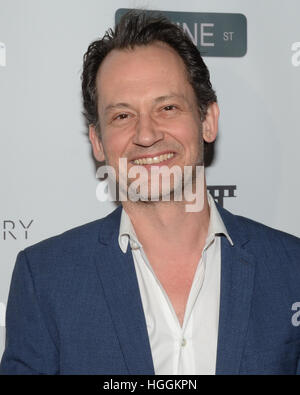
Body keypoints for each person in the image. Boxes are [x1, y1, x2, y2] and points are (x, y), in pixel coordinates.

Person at [1, 10, 300, 375]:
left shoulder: (291, 269)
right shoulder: (45, 278)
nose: (146, 135)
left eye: (168, 107)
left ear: (207, 121)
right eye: (122, 116)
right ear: (97, 141)